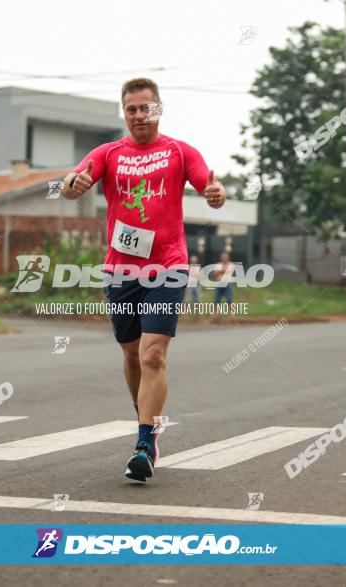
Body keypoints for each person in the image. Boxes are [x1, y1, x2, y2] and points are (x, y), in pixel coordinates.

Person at [61, 78, 226, 482]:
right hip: (121, 270)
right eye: (131, 109)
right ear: (124, 112)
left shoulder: (178, 151)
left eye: (145, 108)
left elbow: (208, 181)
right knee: (132, 355)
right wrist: (73, 184)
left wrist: (215, 190)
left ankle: (143, 442)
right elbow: (70, 185)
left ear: (159, 109)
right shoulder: (108, 153)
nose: (138, 115)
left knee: (154, 355)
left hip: (168, 266)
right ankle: (147, 420)